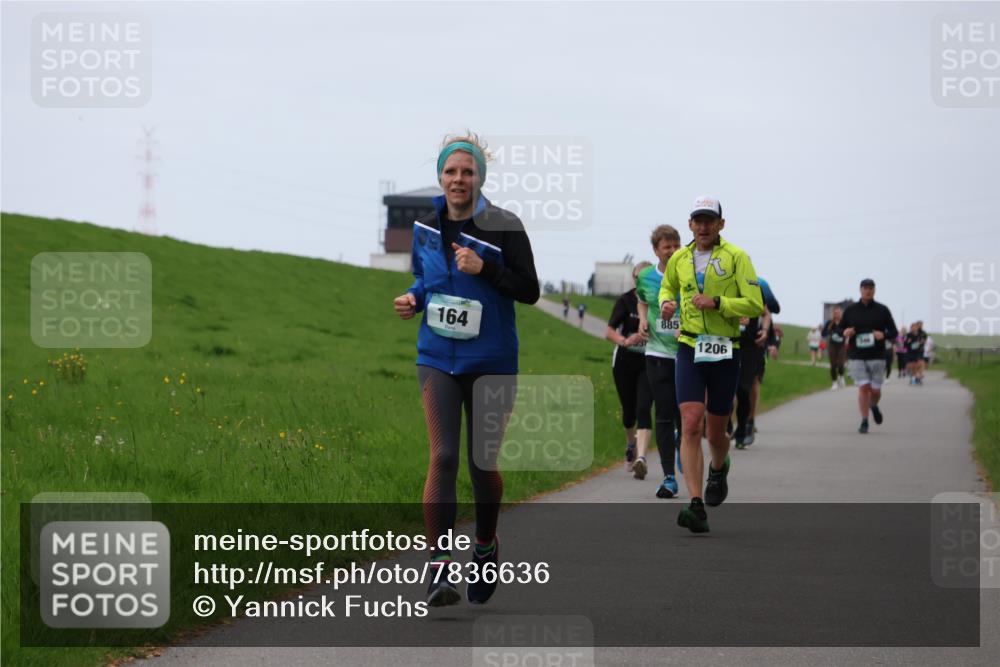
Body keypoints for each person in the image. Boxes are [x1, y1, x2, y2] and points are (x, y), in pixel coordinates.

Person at [393, 132, 539, 607]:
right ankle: (438, 567)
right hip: (436, 356)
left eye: (468, 171)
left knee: (481, 464)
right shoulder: (425, 226)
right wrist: (414, 298)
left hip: (492, 360)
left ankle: (485, 545)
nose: (459, 179)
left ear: (481, 177)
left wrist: (485, 269)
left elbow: (529, 290)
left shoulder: (504, 225)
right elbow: (425, 277)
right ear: (440, 175)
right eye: (451, 171)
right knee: (443, 457)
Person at [659, 196, 764, 533]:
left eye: (709, 220)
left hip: (725, 349)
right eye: (697, 220)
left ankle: (719, 466)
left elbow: (753, 303)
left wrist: (717, 302)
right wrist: (666, 305)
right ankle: (695, 504)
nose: (703, 227)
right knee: (690, 423)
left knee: (716, 431)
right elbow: (667, 289)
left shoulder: (737, 258)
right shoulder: (678, 258)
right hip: (689, 346)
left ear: (721, 224)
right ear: (690, 224)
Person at [635, 226, 684, 497]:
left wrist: (686, 326)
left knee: (686, 418)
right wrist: (643, 319)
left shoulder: (692, 275)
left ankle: (682, 444)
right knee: (664, 415)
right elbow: (642, 300)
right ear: (656, 250)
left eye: (676, 245)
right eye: (667, 247)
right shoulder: (645, 277)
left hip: (686, 354)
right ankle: (668, 478)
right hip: (657, 353)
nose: (673, 251)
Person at [606, 262, 653, 475]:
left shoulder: (660, 300)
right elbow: (609, 331)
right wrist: (625, 341)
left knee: (644, 407)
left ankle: (641, 458)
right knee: (629, 410)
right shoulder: (625, 300)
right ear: (634, 279)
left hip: (649, 361)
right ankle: (631, 445)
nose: (641, 281)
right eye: (638, 278)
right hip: (624, 360)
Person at [839, 278, 898, 434]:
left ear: (874, 290)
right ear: (860, 290)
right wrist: (845, 332)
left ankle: (873, 405)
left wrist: (883, 334)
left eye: (871, 288)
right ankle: (864, 421)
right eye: (865, 288)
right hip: (857, 355)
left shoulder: (883, 310)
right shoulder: (850, 310)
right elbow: (839, 329)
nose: (868, 290)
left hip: (877, 355)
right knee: (864, 388)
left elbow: (894, 332)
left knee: (875, 391)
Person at [822, 307, 847, 390]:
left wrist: (844, 334)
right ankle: (834, 382)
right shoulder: (830, 323)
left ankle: (841, 376)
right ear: (833, 314)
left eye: (838, 313)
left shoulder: (845, 322)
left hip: (842, 345)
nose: (837, 315)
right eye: (835, 313)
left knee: (840, 363)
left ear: (841, 313)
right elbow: (823, 333)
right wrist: (829, 333)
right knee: (833, 364)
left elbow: (849, 331)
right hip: (832, 345)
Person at [905, 321, 928, 385]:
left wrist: (920, 343)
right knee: (912, 366)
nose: (915, 328)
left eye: (915, 327)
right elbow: (906, 344)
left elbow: (923, 342)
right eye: (913, 327)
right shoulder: (908, 334)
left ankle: (918, 376)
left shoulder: (921, 334)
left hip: (918, 351)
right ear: (911, 328)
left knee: (919, 363)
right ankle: (914, 377)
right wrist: (910, 343)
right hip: (910, 352)